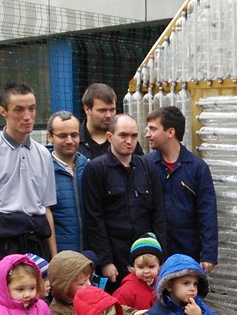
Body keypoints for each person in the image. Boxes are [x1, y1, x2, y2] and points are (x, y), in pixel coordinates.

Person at [0, 81, 57, 303]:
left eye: (32, 108)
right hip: (3, 245)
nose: (27, 116)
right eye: (18, 110)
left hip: (37, 244)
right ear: (3, 112)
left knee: (39, 312)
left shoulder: (44, 154)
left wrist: (54, 261)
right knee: (4, 314)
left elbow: (46, 209)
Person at [82, 113, 167, 292]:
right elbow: (94, 219)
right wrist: (105, 261)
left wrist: (159, 257)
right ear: (110, 137)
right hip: (115, 257)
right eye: (123, 135)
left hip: (146, 257)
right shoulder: (96, 169)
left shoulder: (147, 167)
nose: (129, 141)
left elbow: (158, 213)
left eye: (134, 136)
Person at [145, 106, 218, 274]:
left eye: (153, 129)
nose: (148, 134)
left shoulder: (197, 168)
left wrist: (208, 254)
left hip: (187, 251)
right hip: (154, 253)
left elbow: (207, 213)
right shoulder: (146, 165)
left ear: (170, 132)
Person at [46, 110, 90, 254]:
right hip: (59, 257)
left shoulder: (89, 167)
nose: (69, 141)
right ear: (50, 137)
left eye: (74, 135)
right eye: (62, 136)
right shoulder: (43, 170)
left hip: (88, 256)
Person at [78, 83, 144, 159]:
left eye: (112, 110)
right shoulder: (75, 141)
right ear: (87, 109)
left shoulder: (128, 140)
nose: (108, 115)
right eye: (102, 110)